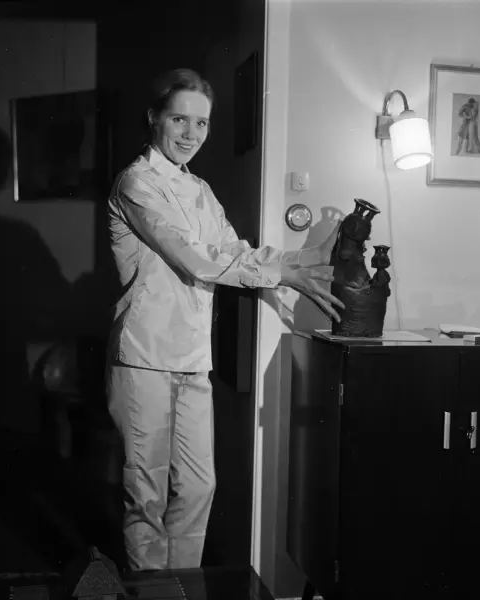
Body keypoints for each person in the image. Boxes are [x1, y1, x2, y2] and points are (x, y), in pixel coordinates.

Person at [105, 68, 344, 572]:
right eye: (179, 119)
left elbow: (233, 250)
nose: (191, 134)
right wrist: (285, 274)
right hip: (144, 355)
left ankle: (181, 586)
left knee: (199, 486)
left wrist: (305, 260)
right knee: (146, 494)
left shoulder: (200, 189)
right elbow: (195, 259)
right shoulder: (136, 182)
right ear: (154, 118)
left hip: (193, 356)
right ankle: (154, 593)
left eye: (202, 123)